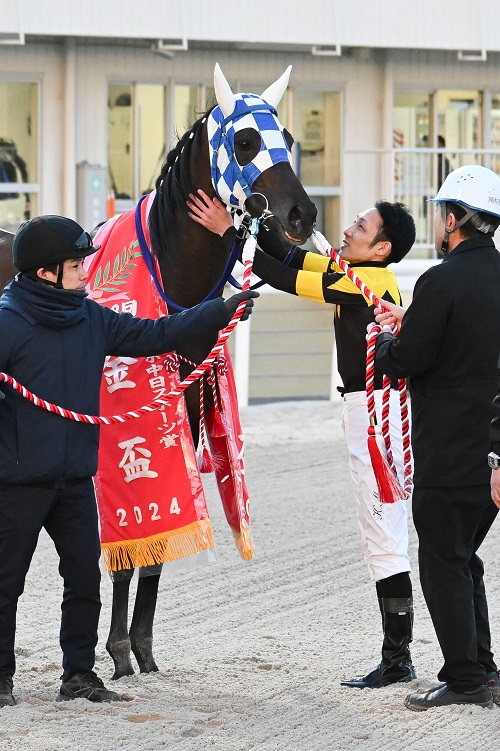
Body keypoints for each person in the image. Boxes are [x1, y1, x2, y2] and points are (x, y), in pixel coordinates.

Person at [0, 215, 258, 708]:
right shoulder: (6, 322)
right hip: (17, 481)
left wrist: (217, 311)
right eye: (76, 266)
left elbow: (154, 335)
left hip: (74, 477)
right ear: (44, 272)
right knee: (4, 582)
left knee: (83, 580)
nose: (85, 274)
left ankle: (78, 675)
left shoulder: (91, 317)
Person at [187, 189, 417, 689]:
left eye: (361, 226)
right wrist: (254, 220)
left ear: (381, 248)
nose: (350, 228)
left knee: (383, 534)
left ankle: (398, 659)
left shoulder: (366, 281)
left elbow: (285, 276)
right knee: (383, 532)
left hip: (373, 413)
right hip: (368, 407)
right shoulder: (359, 273)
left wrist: (229, 233)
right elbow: (293, 255)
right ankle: (398, 656)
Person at [374, 164, 500, 711]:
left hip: (448, 451)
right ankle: (484, 670)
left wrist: (383, 339)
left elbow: (409, 359)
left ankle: (467, 679)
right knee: (463, 556)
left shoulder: (440, 280)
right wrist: (414, 319)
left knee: (444, 563)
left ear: (453, 219)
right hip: (489, 452)